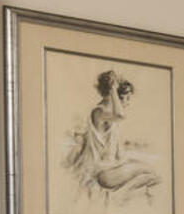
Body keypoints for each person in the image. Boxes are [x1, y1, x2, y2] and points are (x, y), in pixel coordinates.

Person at [64, 69, 161, 204]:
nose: (128, 102)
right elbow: (121, 115)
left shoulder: (109, 117)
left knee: (152, 174)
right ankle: (122, 198)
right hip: (103, 173)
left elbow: (117, 151)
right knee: (152, 174)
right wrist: (113, 89)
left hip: (111, 168)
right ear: (114, 95)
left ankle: (125, 197)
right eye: (126, 98)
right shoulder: (99, 112)